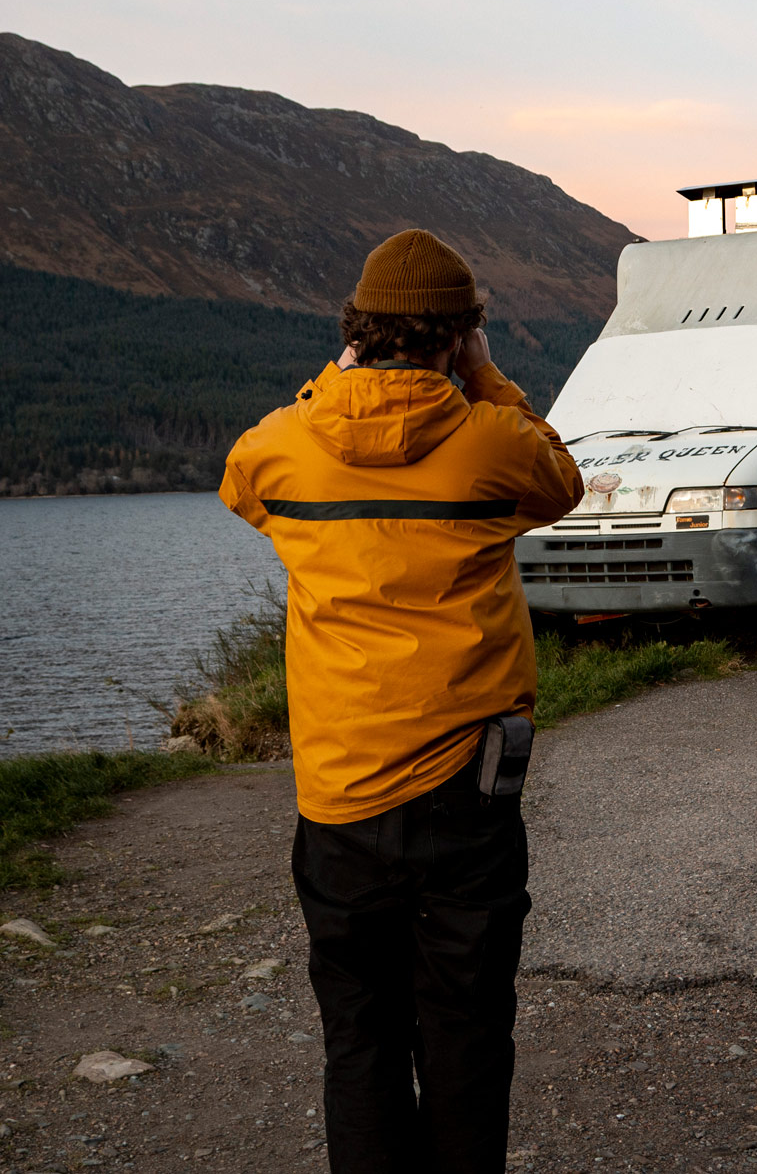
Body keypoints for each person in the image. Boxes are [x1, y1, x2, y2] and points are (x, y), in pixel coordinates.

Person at [221, 229, 584, 1173]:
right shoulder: (490, 444)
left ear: (358, 329)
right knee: (464, 1037)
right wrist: (490, 375)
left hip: (338, 802)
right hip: (468, 796)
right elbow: (563, 479)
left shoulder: (285, 447)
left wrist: (330, 387)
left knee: (361, 1039)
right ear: (457, 337)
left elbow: (238, 481)